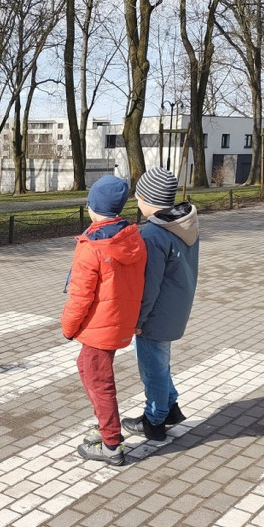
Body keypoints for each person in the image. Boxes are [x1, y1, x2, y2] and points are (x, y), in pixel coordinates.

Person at [61, 175, 146, 466]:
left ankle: (111, 444)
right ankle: (106, 426)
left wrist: (68, 327)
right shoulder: (132, 237)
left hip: (99, 325)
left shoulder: (91, 246)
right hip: (119, 320)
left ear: (92, 208)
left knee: (100, 381)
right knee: (86, 367)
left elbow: (80, 296)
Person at [121, 167, 200, 442]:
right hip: (175, 307)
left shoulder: (153, 235)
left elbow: (148, 284)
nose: (136, 202)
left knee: (152, 368)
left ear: (146, 199)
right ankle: (170, 407)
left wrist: (138, 320)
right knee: (160, 363)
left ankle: (154, 419)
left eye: (138, 197)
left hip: (155, 314)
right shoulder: (182, 223)